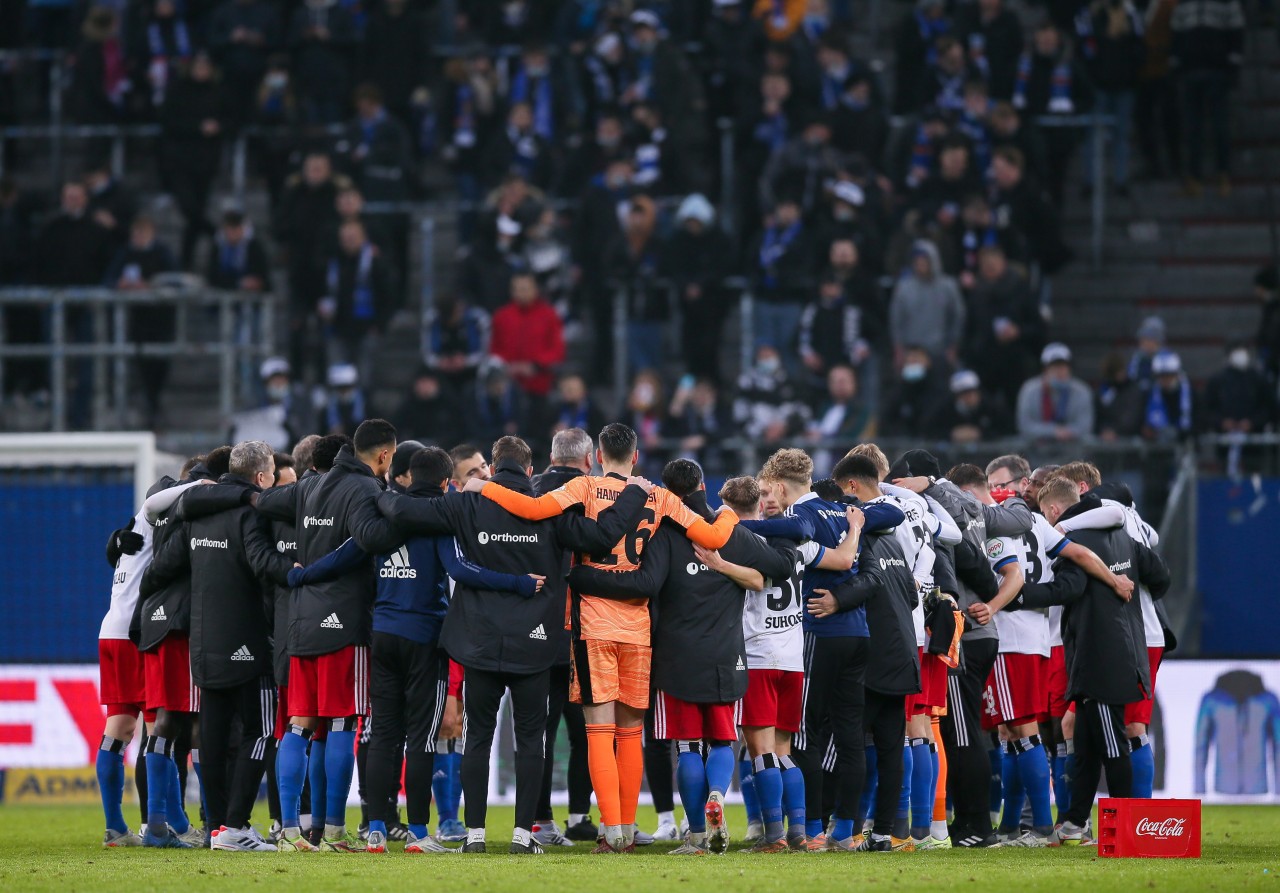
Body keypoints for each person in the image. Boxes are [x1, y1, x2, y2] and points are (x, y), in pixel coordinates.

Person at [462, 424, 739, 853]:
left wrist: (483, 487)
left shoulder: (584, 487)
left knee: (598, 732)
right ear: (634, 457)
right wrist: (730, 512)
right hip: (638, 627)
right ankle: (627, 830)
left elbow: (532, 511)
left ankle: (611, 833)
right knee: (630, 734)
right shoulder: (658, 496)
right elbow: (716, 538)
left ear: (597, 456)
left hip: (592, 624)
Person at [375, 435, 655, 854]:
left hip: (479, 641)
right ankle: (524, 836)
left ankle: (474, 836)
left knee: (478, 738)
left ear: (492, 465)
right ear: (529, 470)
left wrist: (371, 495)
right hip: (535, 642)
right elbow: (601, 537)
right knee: (530, 739)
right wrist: (634, 492)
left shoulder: (468, 504)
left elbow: (402, 509)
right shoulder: (550, 506)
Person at [290, 445, 545, 854]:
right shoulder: (440, 520)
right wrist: (517, 583)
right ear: (446, 483)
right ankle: (421, 835)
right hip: (425, 637)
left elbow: (344, 555)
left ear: (408, 475)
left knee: (383, 734)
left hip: (383, 635)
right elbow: (462, 570)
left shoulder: (382, 516)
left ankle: (375, 829)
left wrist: (301, 576)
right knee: (422, 739)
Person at [567, 459, 795, 856]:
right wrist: (729, 567)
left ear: (667, 495)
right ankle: (719, 798)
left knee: (688, 746)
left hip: (676, 657)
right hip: (726, 653)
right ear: (704, 484)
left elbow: (646, 583)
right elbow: (781, 566)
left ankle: (694, 835)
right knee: (723, 740)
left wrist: (584, 578)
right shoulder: (731, 532)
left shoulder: (664, 534)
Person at [142, 441, 294, 850]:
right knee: (261, 731)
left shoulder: (194, 513)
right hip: (246, 639)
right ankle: (235, 826)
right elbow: (262, 562)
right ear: (262, 478)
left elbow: (161, 568)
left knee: (210, 733)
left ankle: (216, 827)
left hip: (203, 640)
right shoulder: (249, 512)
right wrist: (297, 572)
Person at [755, 450, 901, 852]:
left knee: (807, 733)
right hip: (859, 635)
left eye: (772, 491)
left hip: (820, 631)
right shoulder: (844, 511)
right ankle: (845, 832)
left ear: (782, 486)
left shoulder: (803, 516)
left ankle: (814, 828)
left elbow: (779, 529)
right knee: (851, 736)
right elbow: (894, 515)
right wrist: (859, 517)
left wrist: (725, 524)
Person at [1019, 477, 1170, 844]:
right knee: (1085, 748)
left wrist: (1017, 595)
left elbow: (1069, 588)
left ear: (1054, 510)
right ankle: (1073, 824)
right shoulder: (1124, 537)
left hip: (1099, 655)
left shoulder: (1077, 543)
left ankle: (1128, 827)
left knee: (1111, 744)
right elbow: (1160, 577)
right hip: (1122, 647)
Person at [822, 452, 923, 852]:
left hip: (872, 655)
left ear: (851, 488)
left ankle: (841, 829)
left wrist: (837, 600)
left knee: (847, 745)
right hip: (903, 653)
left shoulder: (861, 539)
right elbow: (912, 597)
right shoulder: (895, 539)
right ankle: (887, 833)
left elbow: (868, 583)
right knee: (890, 747)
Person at [531, 428, 598, 845]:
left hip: (535, 627)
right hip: (584, 626)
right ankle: (579, 816)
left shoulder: (530, 493)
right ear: (588, 460)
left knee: (539, 729)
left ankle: (541, 820)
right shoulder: (593, 493)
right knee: (588, 730)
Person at [97, 479, 163, 848]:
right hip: (136, 636)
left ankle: (116, 828)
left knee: (119, 728)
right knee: (158, 729)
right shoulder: (152, 522)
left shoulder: (126, 536)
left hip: (111, 631)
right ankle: (162, 824)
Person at [159, 51, 226, 266]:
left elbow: (232, 118)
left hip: (206, 162)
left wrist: (219, 127)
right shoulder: (178, 90)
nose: (202, 71)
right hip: (179, 160)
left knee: (194, 215)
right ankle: (216, 232)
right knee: (190, 208)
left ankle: (186, 261)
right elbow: (168, 121)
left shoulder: (217, 92)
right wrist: (198, 128)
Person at [1171, 0, 1244, 196]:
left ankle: (1223, 175)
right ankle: (1194, 178)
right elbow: (1176, 34)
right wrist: (1176, 63)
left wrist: (1233, 64)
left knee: (1220, 127)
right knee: (1192, 129)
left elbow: (1236, 32)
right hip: (1191, 72)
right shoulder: (1182, 4)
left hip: (1217, 72)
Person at [489, 272, 565, 446]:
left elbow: (557, 350)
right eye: (516, 289)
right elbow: (494, 349)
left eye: (525, 288)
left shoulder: (549, 315)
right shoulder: (502, 316)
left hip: (540, 382)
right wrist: (509, 366)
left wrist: (535, 365)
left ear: (535, 290)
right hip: (508, 383)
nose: (521, 293)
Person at [890, 240, 964, 369]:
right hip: (912, 353)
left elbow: (957, 317)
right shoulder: (904, 288)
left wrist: (953, 346)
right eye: (917, 262)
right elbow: (897, 320)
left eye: (924, 261)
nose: (920, 265)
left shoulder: (948, 286)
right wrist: (899, 349)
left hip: (941, 351)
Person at [1204, 344, 1275, 474]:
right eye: (1236, 350)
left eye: (1243, 350)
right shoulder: (1217, 381)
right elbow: (1208, 410)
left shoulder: (1259, 380)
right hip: (1225, 444)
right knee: (1225, 478)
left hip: (1254, 444)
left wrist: (1252, 423)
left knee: (1254, 476)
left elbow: (1269, 409)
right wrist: (1222, 422)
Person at [1016, 343, 1094, 440]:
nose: (1060, 371)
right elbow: (1025, 425)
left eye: (1064, 366)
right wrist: (1054, 431)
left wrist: (1067, 432)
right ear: (1045, 369)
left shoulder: (1082, 391)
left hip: (1074, 450)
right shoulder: (1029, 390)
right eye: (1055, 366)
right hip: (1035, 450)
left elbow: (1085, 426)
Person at [932, 369, 1011, 442]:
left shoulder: (991, 407)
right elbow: (930, 429)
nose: (970, 396)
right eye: (964, 393)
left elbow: (1006, 428)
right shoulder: (945, 409)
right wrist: (951, 434)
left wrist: (981, 433)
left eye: (972, 391)